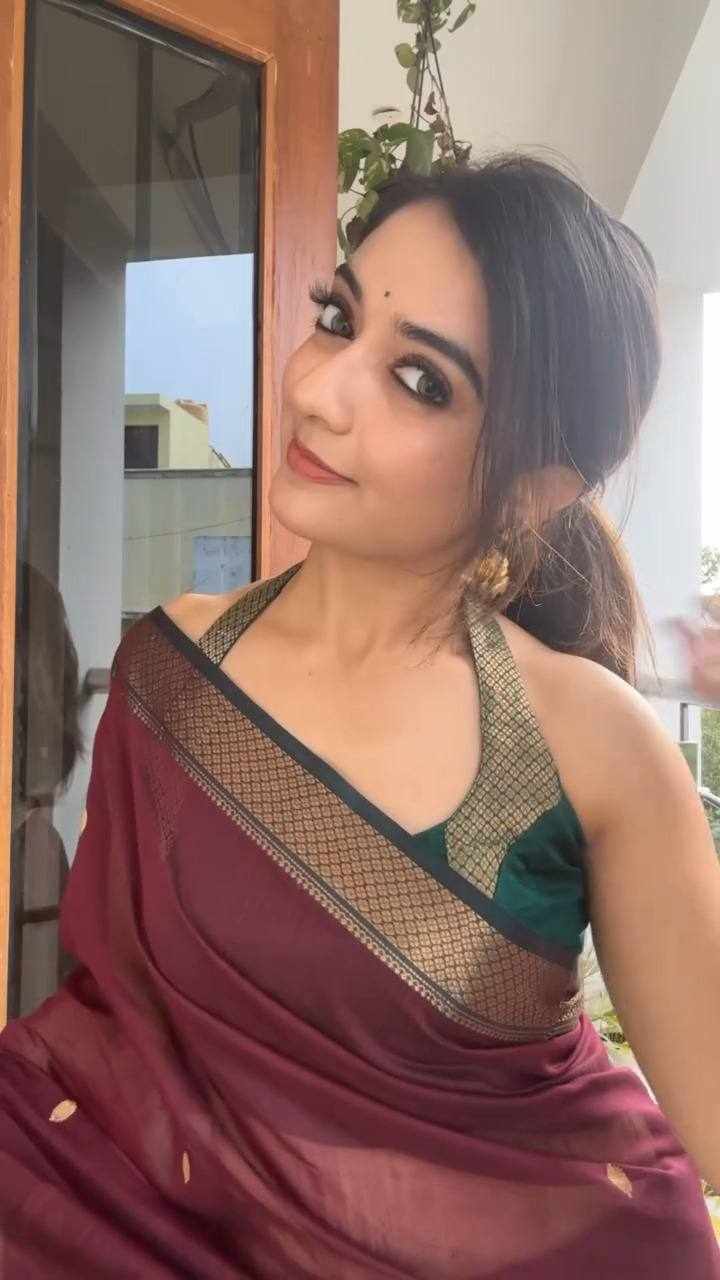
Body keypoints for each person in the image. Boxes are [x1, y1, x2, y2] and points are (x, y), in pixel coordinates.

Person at [0, 156, 719, 1278]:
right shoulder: (173, 670)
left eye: (421, 380)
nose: (320, 390)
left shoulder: (591, 743)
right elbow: (105, 1054)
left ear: (538, 485)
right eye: (337, 319)